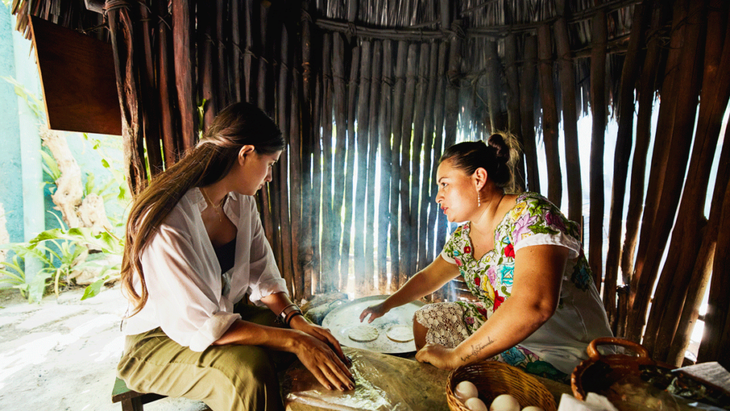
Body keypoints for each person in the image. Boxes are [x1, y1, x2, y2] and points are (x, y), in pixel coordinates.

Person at [117, 102, 354, 411]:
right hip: (158, 340)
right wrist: (295, 340)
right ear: (245, 154)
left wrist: (296, 322)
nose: (270, 176)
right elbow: (204, 324)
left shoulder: (240, 204)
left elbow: (263, 275)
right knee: (248, 372)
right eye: (270, 164)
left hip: (217, 317)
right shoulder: (169, 219)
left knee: (308, 335)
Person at [360, 135, 613, 382]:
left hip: (563, 350)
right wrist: (385, 305)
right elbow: (428, 278)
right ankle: (442, 391)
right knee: (426, 319)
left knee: (470, 368)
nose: (438, 196)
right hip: (505, 333)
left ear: (478, 178)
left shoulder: (531, 215)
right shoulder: (464, 238)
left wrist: (456, 356)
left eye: (444, 184)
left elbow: (535, 306)